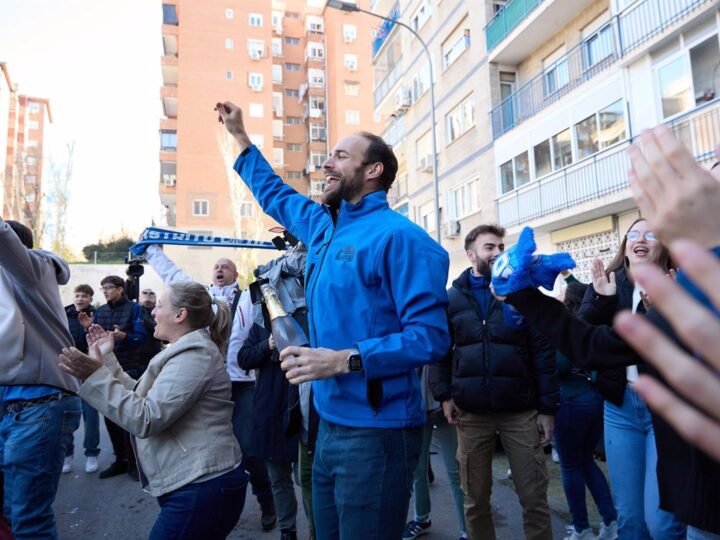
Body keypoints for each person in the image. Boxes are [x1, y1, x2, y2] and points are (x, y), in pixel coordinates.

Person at [216, 100, 450, 539]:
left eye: (341, 156)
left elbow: (431, 339)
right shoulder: (324, 228)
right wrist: (241, 137)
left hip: (378, 433)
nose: (327, 162)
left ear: (373, 170)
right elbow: (276, 195)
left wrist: (345, 360)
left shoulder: (403, 239)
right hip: (325, 426)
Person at [59, 281, 247, 540]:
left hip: (202, 486)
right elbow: (141, 397)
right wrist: (107, 360)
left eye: (159, 306)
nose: (153, 313)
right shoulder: (183, 352)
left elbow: (146, 417)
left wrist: (93, 376)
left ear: (180, 315)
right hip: (194, 484)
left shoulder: (195, 356)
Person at [429, 223, 558, 540]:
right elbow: (440, 352)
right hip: (471, 416)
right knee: (475, 501)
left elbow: (543, 352)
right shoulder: (452, 299)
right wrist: (444, 395)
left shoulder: (523, 294)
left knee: (534, 499)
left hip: (520, 413)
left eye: (502, 247)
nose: (498, 253)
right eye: (490, 247)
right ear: (472, 254)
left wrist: (547, 408)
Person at [143, 247, 277, 530]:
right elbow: (172, 275)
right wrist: (152, 251)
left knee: (251, 450)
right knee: (196, 441)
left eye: (225, 266)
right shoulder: (202, 299)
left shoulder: (248, 300)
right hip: (203, 383)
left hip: (241, 386)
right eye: (216, 265)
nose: (219, 269)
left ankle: (267, 502)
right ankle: (211, 500)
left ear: (235, 274)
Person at [576, 219, 685, 540]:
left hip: (664, 410)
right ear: (625, 246)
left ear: (662, 246)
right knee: (630, 522)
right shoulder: (608, 284)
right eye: (633, 234)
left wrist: (666, 309)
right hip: (620, 407)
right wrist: (601, 300)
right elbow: (581, 338)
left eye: (651, 234)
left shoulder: (678, 284)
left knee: (661, 523)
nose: (641, 239)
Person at [0, 218, 82, 539]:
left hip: (39, 406)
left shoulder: (34, 270)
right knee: (11, 515)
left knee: (28, 519)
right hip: (16, 408)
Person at [554, 282, 617, 540]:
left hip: (570, 399)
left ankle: (581, 528)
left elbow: (559, 365)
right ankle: (610, 521)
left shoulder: (569, 326)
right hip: (593, 398)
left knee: (570, 466)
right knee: (585, 462)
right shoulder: (592, 325)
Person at [90, 275, 148, 481]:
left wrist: (123, 336)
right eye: (102, 288)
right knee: (111, 418)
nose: (105, 291)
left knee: (130, 418)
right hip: (107, 370)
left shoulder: (135, 309)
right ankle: (120, 461)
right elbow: (95, 340)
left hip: (130, 369)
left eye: (109, 287)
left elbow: (141, 339)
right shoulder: (100, 312)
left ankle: (135, 463)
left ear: (121, 289)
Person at [403, 365, 467, 540]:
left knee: (455, 470)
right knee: (418, 468)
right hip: (418, 405)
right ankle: (421, 518)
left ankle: (466, 530)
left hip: (446, 402)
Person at [63, 284, 101, 474]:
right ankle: (67, 454)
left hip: (88, 369)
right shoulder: (63, 313)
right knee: (67, 414)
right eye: (77, 295)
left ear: (90, 299)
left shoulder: (97, 314)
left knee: (91, 414)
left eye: (84, 296)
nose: (80, 299)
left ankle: (91, 453)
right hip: (68, 369)